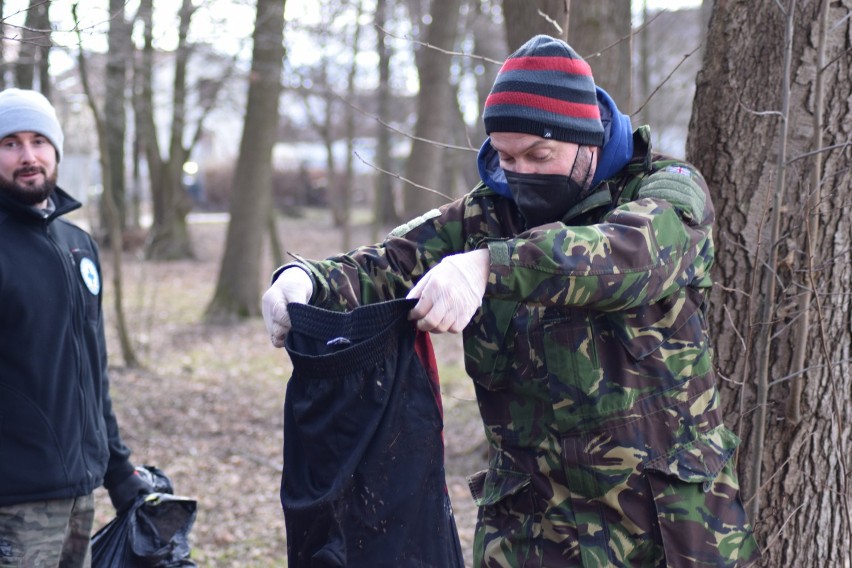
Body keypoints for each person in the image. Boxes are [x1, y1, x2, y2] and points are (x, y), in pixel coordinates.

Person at [262, 35, 759, 567]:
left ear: (586, 140)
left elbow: (630, 255)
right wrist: (304, 280)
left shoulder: (667, 191)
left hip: (668, 533)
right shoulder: (485, 215)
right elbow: (385, 265)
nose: (520, 172)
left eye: (539, 155)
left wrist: (486, 267)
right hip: (534, 533)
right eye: (505, 156)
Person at [0, 88, 152, 567]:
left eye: (39, 142)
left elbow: (92, 372)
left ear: (56, 151)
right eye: (10, 143)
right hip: (13, 504)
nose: (28, 157)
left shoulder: (77, 244)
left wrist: (118, 468)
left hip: (80, 498)